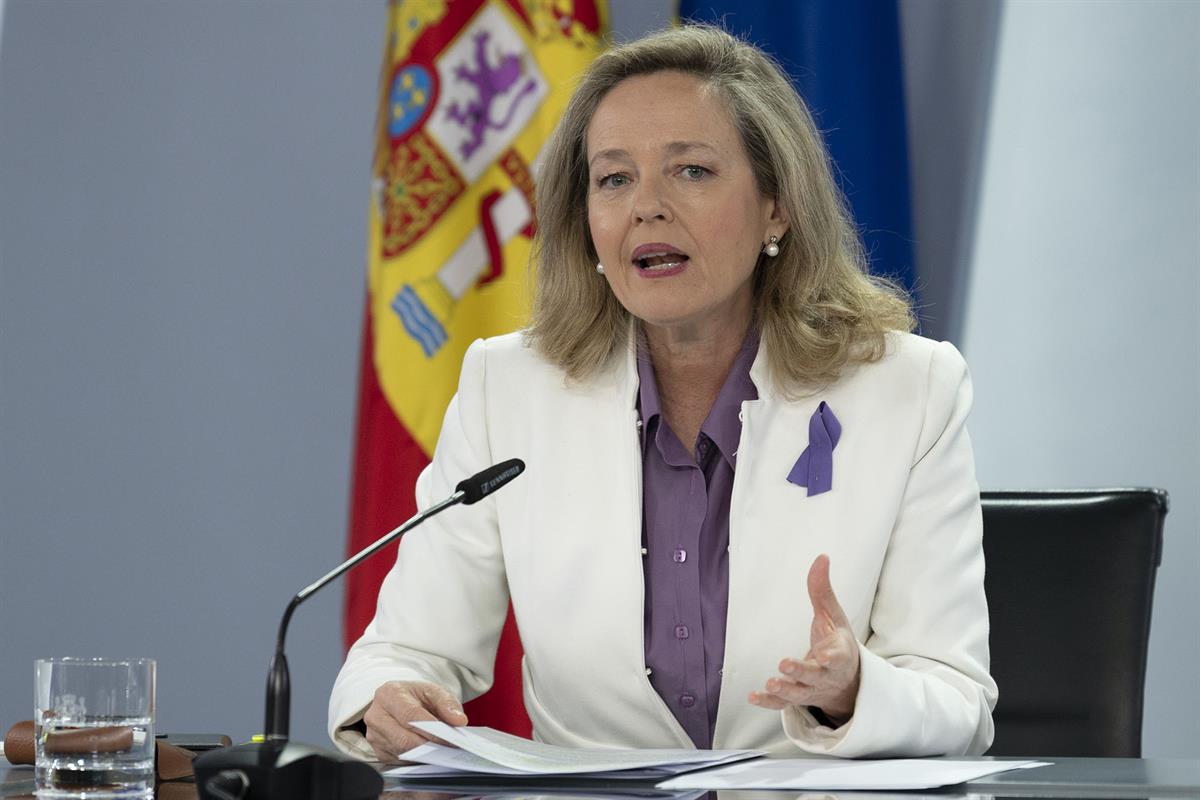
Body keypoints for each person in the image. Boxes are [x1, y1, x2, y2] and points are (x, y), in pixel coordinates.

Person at [329, 24, 997, 761]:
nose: (646, 206)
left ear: (776, 206)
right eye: (614, 179)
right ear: (585, 223)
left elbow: (957, 698)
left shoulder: (907, 391)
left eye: (691, 172)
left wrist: (853, 692)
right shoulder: (507, 390)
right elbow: (401, 651)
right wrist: (386, 700)